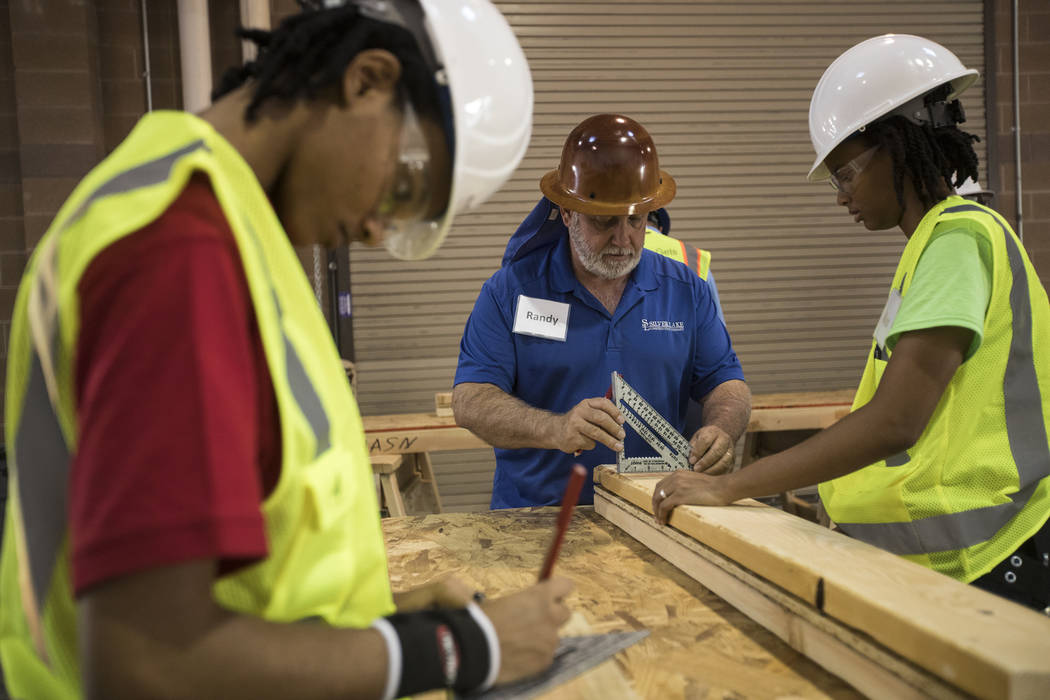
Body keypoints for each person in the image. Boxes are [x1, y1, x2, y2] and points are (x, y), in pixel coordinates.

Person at [0, 2, 572, 698]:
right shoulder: (178, 253)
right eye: (401, 187)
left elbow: (252, 582)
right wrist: (458, 652)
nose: (373, 229)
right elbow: (147, 661)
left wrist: (382, 632)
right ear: (367, 81)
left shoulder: (231, 232)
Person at [652, 34, 1050, 612]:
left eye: (846, 173)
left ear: (897, 143)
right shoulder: (937, 244)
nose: (842, 196)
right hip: (954, 565)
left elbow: (894, 422)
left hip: (986, 565)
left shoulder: (959, 242)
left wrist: (728, 486)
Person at [453, 113, 751, 509]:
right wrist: (555, 428)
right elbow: (470, 399)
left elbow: (727, 383)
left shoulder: (686, 290)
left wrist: (721, 430)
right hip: (534, 520)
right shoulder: (512, 291)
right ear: (567, 213)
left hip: (655, 516)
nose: (623, 238)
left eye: (635, 220)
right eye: (603, 221)